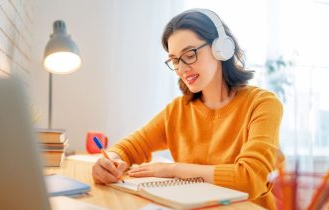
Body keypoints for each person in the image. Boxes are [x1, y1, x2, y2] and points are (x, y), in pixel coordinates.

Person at [92, 8, 284, 210]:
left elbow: (249, 178)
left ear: (221, 49)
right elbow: (129, 148)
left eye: (190, 54)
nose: (182, 69)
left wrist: (173, 170)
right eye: (175, 60)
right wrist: (109, 161)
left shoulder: (262, 104)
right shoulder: (177, 110)